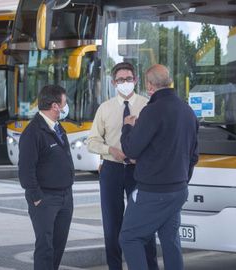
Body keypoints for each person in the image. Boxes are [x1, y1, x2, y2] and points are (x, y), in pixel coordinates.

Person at [119, 64, 199, 270]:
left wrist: (127, 127)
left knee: (129, 237)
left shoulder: (151, 111)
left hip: (154, 191)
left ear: (150, 85)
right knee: (170, 239)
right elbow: (193, 155)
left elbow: (132, 150)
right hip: (178, 189)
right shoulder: (188, 111)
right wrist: (181, 180)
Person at [87, 62, 157, 270]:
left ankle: (149, 266)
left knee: (144, 222)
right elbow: (92, 141)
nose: (124, 83)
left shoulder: (147, 105)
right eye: (120, 80)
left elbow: (156, 140)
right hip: (112, 170)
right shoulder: (105, 108)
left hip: (139, 171)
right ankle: (114, 267)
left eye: (128, 79)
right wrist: (110, 150)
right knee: (112, 224)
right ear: (113, 83)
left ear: (135, 80)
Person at [18, 85, 74, 270]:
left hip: (65, 197)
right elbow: (26, 170)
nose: (66, 107)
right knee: (45, 247)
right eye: (64, 103)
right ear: (55, 106)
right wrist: (36, 198)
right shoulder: (33, 133)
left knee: (58, 245)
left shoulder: (58, 128)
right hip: (45, 199)